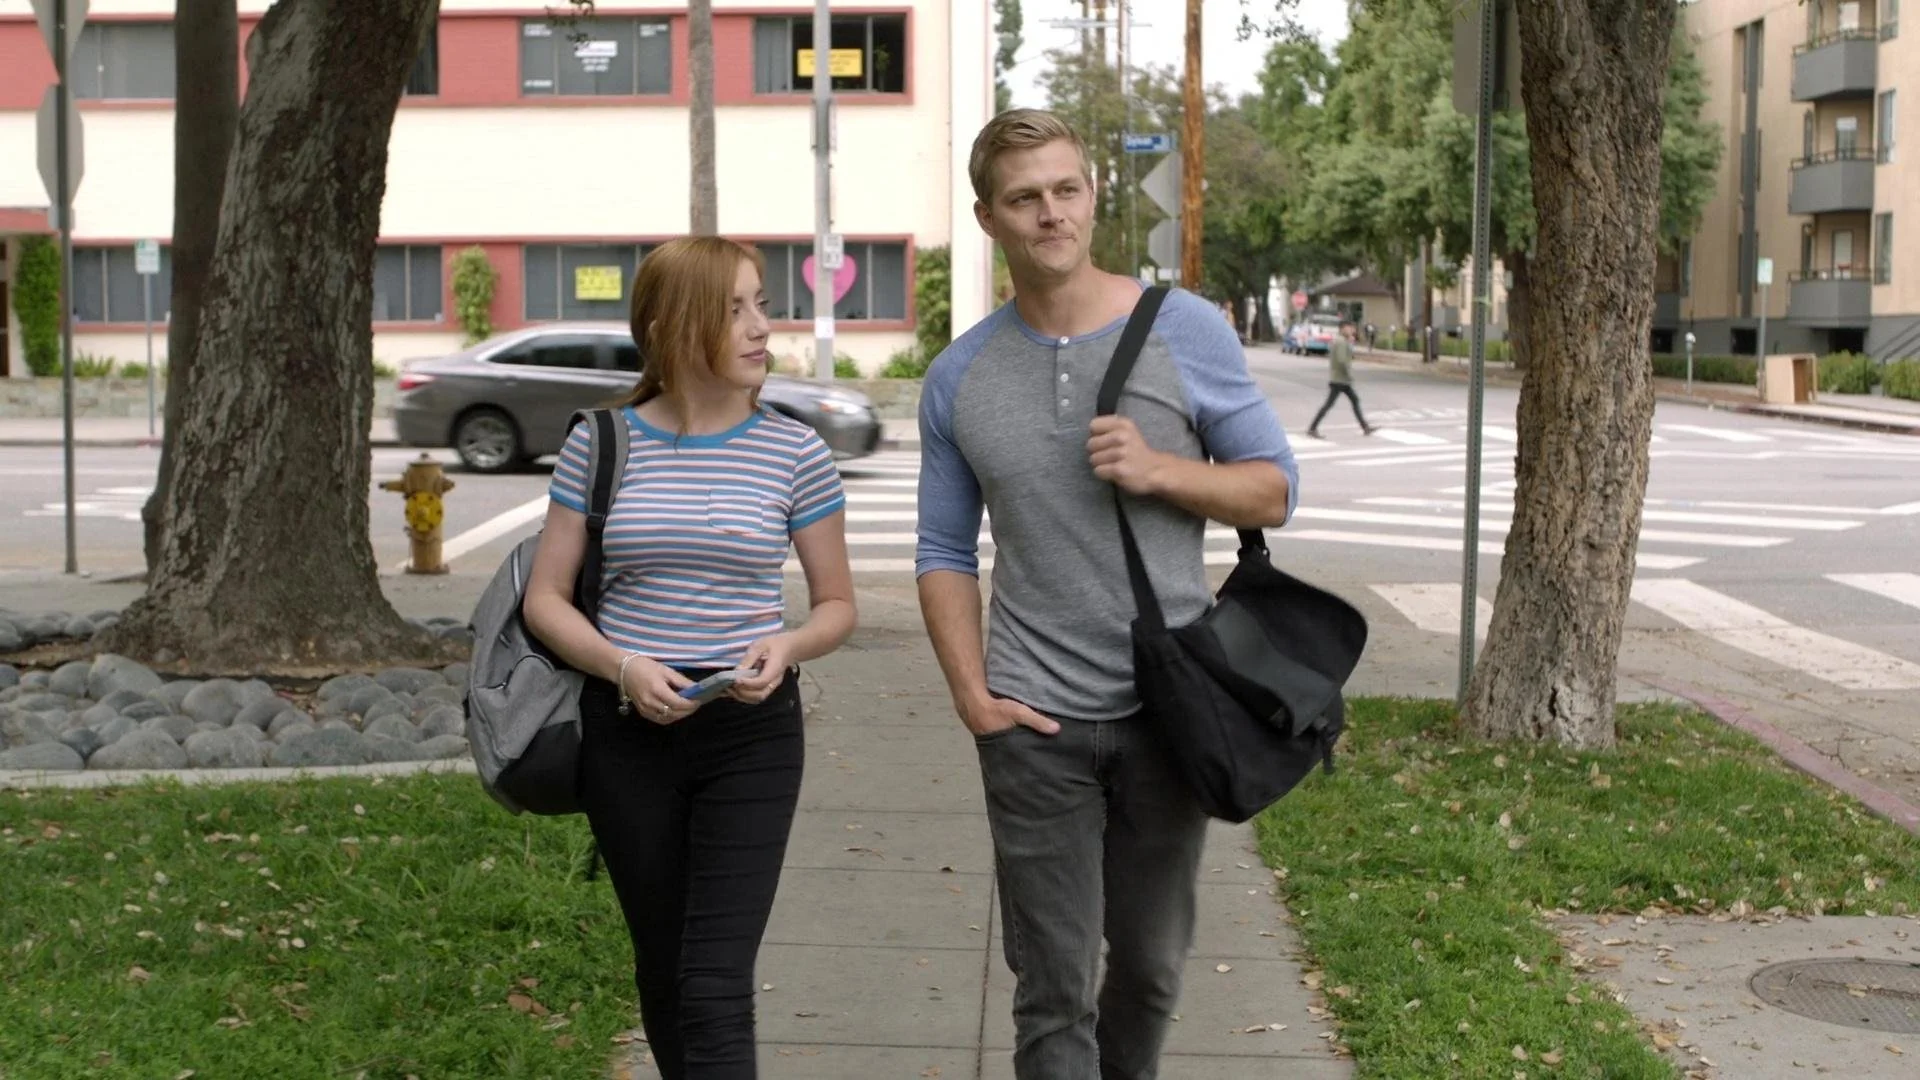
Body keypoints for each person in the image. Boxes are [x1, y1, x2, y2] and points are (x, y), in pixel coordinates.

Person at [914, 109, 1299, 1080]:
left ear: (1092, 195)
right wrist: (973, 694)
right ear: (989, 218)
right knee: (1054, 990)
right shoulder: (959, 376)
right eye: (1024, 198)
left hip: (1167, 708)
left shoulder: (1184, 329)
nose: (1051, 213)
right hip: (1032, 721)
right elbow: (942, 550)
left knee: (1152, 972)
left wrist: (1161, 470)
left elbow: (1273, 490)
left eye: (1066, 189)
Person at [522, 235, 856, 1079]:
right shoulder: (600, 444)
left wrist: (787, 644)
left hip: (751, 736)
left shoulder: (795, 451)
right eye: (734, 309)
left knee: (712, 984)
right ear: (673, 326)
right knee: (665, 973)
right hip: (627, 735)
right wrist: (622, 667)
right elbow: (545, 599)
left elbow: (837, 607)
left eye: (761, 305)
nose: (761, 327)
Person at [1307, 320, 1375, 438]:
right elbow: (1342, 360)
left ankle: (1365, 427)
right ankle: (1312, 428)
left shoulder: (1340, 341)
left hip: (1339, 379)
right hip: (1340, 380)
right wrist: (1349, 375)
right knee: (1330, 404)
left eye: (1352, 328)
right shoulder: (1341, 342)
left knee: (1353, 400)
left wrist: (1350, 343)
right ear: (1343, 329)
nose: (1352, 330)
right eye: (1349, 328)